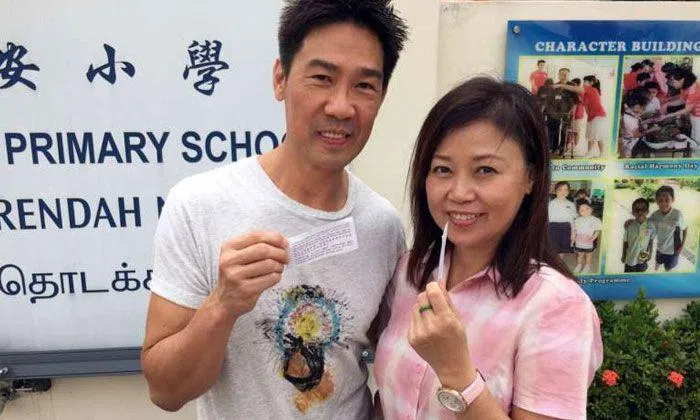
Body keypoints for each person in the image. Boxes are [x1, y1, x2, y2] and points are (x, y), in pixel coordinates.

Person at [141, 1, 408, 418]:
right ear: (280, 79)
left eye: (364, 86)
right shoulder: (199, 205)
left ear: (383, 96)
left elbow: (394, 362)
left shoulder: (383, 227)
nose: (341, 107)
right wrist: (223, 304)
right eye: (322, 78)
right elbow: (166, 392)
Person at [374, 77, 602, 419]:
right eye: (442, 169)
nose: (459, 192)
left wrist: (456, 372)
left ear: (530, 178)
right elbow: (388, 400)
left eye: (485, 170)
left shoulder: (558, 307)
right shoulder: (411, 272)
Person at [649, 186, 688, 272]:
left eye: (667, 200)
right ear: (656, 200)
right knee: (657, 264)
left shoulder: (677, 214)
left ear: (673, 199)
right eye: (660, 200)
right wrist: (630, 222)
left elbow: (685, 228)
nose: (663, 203)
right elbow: (645, 224)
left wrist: (682, 246)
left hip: (673, 252)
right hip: (660, 249)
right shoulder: (654, 216)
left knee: (668, 269)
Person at [621, 198, 655, 273]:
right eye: (636, 210)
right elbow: (625, 242)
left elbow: (651, 240)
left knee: (641, 272)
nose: (640, 212)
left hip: (643, 256)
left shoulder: (651, 225)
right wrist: (623, 255)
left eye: (643, 209)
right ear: (633, 212)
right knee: (629, 274)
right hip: (630, 257)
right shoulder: (629, 225)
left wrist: (650, 253)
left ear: (647, 211)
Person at [571, 199, 602, 273]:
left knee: (588, 255)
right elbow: (574, 231)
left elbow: (597, 231)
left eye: (587, 209)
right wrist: (573, 240)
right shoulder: (577, 220)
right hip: (579, 242)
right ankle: (579, 265)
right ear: (579, 212)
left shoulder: (596, 220)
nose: (585, 211)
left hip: (589, 242)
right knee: (579, 255)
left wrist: (593, 238)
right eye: (582, 210)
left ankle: (587, 266)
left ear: (591, 209)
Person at [548, 181, 576, 260]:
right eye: (560, 190)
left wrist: (573, 234)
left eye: (565, 190)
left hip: (566, 228)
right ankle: (554, 265)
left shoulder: (571, 204)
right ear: (555, 191)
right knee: (552, 250)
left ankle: (560, 263)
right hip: (552, 228)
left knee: (562, 250)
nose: (563, 192)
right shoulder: (550, 204)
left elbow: (572, 220)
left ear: (568, 192)